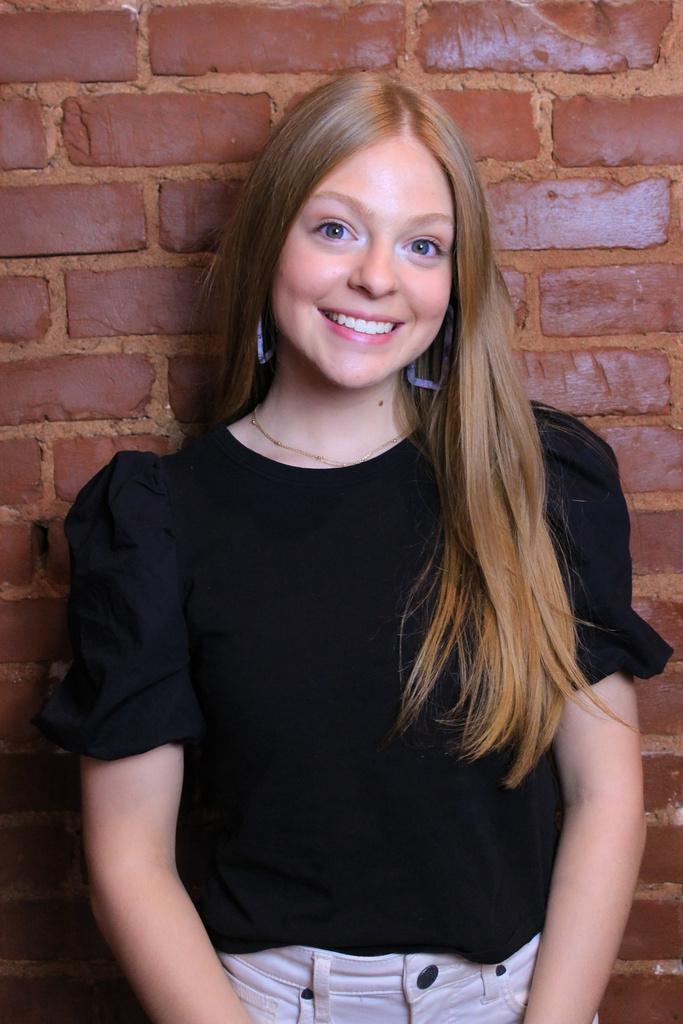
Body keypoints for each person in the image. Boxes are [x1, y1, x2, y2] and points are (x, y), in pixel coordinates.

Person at [31, 72, 674, 1024]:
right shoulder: (156, 520)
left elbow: (604, 798)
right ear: (270, 241)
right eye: (335, 229)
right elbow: (130, 863)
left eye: (422, 245)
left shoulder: (534, 479)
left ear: (454, 280)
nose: (378, 276)